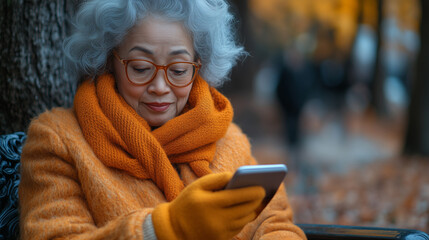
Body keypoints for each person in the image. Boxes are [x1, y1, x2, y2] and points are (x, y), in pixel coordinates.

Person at [18, 0, 307, 239]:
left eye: (179, 70)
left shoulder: (230, 139)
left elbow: (276, 224)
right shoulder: (58, 139)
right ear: (109, 62)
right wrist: (164, 228)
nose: (160, 86)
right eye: (141, 67)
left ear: (199, 65)